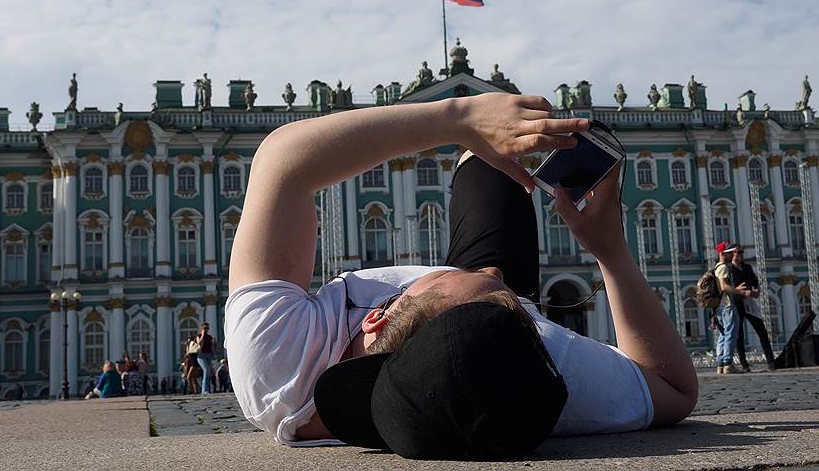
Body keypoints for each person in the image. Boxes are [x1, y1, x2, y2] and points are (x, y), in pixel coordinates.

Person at [224, 93, 698, 459]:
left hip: (463, 332)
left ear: (377, 315)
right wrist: (611, 253)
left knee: (485, 150)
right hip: (492, 338)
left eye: (486, 280)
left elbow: (281, 158)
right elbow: (675, 388)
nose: (494, 271)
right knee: (496, 169)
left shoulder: (276, 361)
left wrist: (459, 116)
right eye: (510, 294)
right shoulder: (536, 368)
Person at [730, 247, 775, 371]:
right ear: (732, 254)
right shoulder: (730, 269)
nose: (740, 255)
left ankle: (771, 362)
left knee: (761, 330)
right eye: (738, 252)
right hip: (737, 303)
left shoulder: (747, 268)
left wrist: (756, 291)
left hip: (750, 303)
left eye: (741, 252)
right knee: (739, 334)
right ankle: (744, 365)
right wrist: (741, 291)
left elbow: (755, 282)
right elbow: (730, 287)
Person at [713, 243, 750, 375]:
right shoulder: (723, 268)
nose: (731, 255)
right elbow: (724, 287)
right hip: (727, 304)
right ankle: (728, 363)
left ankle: (721, 364)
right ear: (723, 254)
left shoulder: (717, 267)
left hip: (720, 306)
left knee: (723, 335)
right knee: (730, 333)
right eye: (729, 253)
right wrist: (739, 291)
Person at [195, 323, 218, 395]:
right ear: (201, 329)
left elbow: (212, 347)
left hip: (209, 355)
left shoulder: (210, 337)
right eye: (204, 328)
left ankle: (207, 389)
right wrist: (202, 335)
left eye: (207, 328)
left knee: (208, 372)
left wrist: (214, 353)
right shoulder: (198, 336)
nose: (206, 330)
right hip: (201, 356)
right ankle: (204, 390)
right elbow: (200, 344)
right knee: (206, 370)